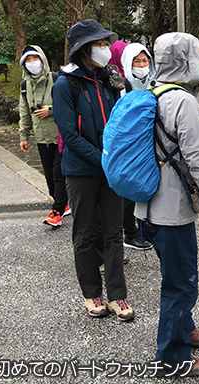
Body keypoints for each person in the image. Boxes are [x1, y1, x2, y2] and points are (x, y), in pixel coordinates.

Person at [135, 32, 199, 375]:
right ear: (188, 60)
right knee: (181, 282)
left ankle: (185, 330)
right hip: (171, 208)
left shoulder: (150, 92)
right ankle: (172, 359)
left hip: (146, 205)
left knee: (174, 275)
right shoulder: (183, 100)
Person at [52, 19, 133, 322]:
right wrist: (102, 159)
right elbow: (69, 135)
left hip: (110, 170)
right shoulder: (65, 84)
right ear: (84, 49)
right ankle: (91, 293)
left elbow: (120, 122)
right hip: (81, 171)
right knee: (85, 233)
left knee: (113, 232)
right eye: (99, 44)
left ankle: (118, 294)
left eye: (104, 42)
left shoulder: (109, 80)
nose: (105, 48)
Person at [108, 42, 153, 251]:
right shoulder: (121, 85)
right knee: (128, 193)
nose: (142, 65)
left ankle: (146, 229)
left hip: (150, 145)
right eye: (137, 61)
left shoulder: (154, 83)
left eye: (145, 61)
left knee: (147, 187)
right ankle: (130, 232)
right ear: (128, 62)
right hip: (128, 146)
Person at [18, 45, 70, 226]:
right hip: (41, 138)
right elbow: (24, 112)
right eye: (28, 61)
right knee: (49, 176)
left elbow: (69, 105)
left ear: (42, 60)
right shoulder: (25, 86)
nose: (32, 63)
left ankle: (57, 211)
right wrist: (23, 135)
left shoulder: (57, 79)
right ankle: (64, 202)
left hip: (60, 136)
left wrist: (51, 110)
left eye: (35, 58)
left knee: (58, 174)